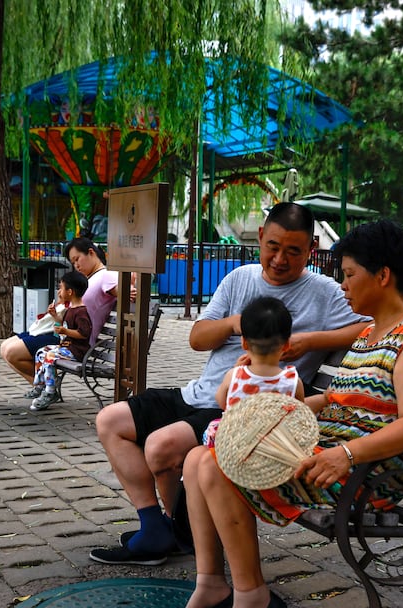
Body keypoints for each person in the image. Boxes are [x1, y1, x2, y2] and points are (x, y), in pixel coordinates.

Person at [165, 219, 403, 608]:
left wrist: (346, 454)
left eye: (349, 274)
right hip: (328, 455)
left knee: (215, 464)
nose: (343, 285)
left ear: (383, 276)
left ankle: (252, 597)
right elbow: (333, 401)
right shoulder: (370, 334)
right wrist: (269, 409)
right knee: (199, 456)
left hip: (366, 475)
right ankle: (212, 585)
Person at [89, 202, 367, 566]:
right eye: (273, 247)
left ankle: (184, 535)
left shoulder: (325, 292)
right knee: (110, 421)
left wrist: (309, 341)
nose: (280, 259)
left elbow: (369, 328)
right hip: (200, 394)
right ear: (261, 237)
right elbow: (197, 338)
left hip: (242, 410)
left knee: (160, 448)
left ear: (311, 249)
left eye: (293, 251)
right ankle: (157, 528)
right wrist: (236, 323)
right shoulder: (239, 279)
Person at [0, 237, 119, 396]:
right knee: (4, 347)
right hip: (58, 330)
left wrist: (130, 289)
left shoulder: (105, 275)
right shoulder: (88, 278)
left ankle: (46, 387)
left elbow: (124, 288)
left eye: (77, 259)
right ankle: (44, 387)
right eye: (73, 262)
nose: (76, 265)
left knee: (11, 352)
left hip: (72, 339)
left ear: (91, 252)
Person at [201, 296, 303, 449]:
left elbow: (222, 402)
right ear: (287, 345)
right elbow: (299, 413)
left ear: (244, 343)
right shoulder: (293, 381)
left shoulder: (234, 376)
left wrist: (236, 370)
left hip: (236, 444)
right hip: (274, 446)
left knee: (201, 445)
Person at [25, 271, 93, 411]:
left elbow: (83, 334)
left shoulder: (81, 312)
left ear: (70, 292)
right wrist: (55, 316)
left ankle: (50, 392)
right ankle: (41, 385)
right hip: (67, 348)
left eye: (61, 288)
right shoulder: (71, 309)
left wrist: (65, 331)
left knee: (49, 356)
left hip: (76, 351)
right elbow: (66, 324)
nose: (59, 291)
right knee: (41, 352)